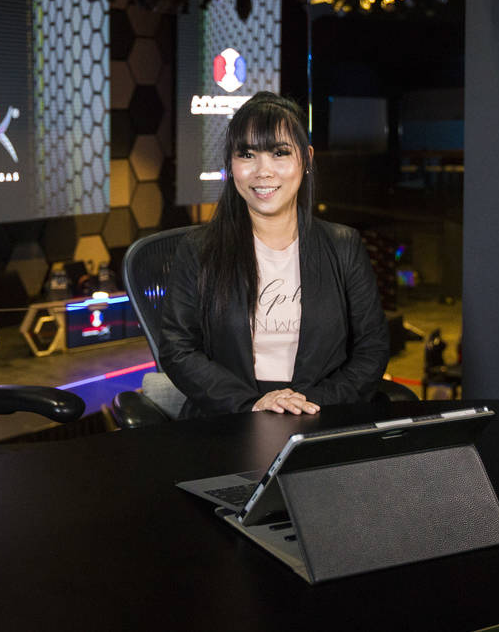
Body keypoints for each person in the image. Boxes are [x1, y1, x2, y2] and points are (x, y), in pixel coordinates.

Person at [159, 92, 389, 418]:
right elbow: (177, 349)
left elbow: (372, 348)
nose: (263, 171)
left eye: (280, 153)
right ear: (230, 164)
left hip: (321, 414)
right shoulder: (199, 250)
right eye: (247, 154)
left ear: (306, 159)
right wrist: (251, 404)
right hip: (228, 419)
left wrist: (309, 404)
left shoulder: (344, 245)